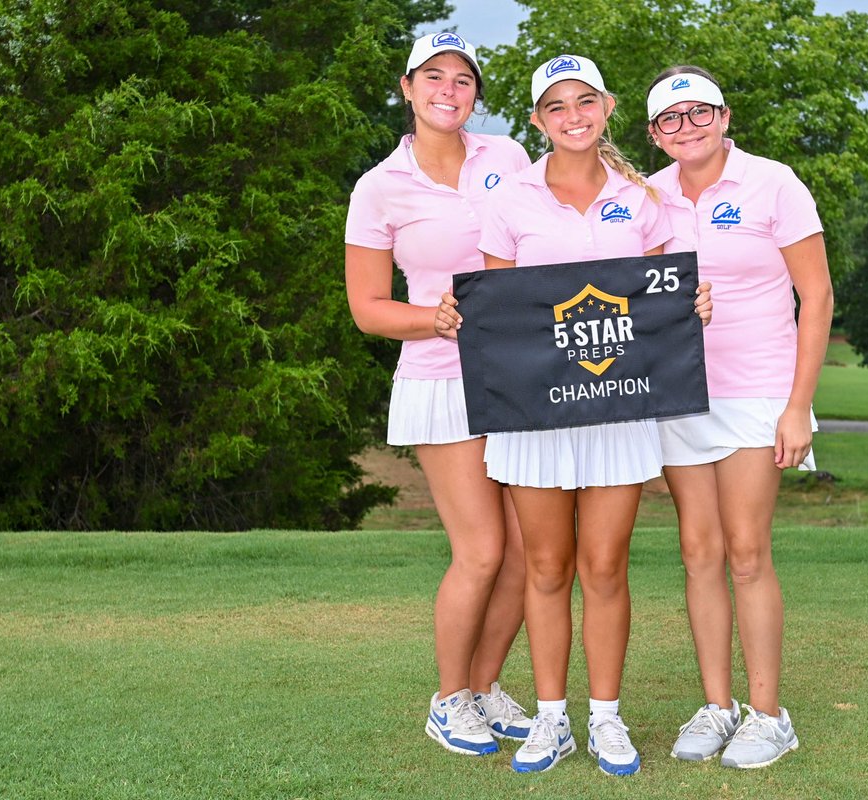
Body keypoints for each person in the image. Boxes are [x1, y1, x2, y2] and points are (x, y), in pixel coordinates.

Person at [437, 54, 710, 776]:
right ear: (536, 120)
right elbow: (500, 316)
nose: (573, 116)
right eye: (556, 107)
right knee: (548, 569)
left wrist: (693, 306)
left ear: (608, 106)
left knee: (604, 567)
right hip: (537, 415)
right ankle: (551, 720)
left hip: (618, 414)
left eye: (584, 101)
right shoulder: (511, 199)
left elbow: (660, 300)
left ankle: (607, 720)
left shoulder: (642, 198)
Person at [344, 32, 533, 758]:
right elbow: (368, 307)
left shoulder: (510, 158)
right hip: (439, 379)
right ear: (408, 86)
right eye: (433, 76)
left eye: (462, 79)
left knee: (528, 555)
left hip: (520, 379)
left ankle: (483, 691)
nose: (447, 89)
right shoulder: (380, 186)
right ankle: (447, 700)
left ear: (476, 94)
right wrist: (434, 319)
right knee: (482, 550)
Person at [643, 66, 834, 769]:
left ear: (725, 118)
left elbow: (815, 296)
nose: (686, 127)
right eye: (671, 118)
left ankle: (768, 714)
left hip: (759, 392)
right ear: (654, 134)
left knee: (748, 551)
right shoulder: (645, 197)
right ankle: (717, 705)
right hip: (679, 392)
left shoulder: (773, 182)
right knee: (699, 551)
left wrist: (797, 406)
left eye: (700, 113)